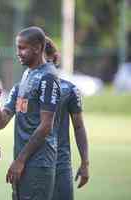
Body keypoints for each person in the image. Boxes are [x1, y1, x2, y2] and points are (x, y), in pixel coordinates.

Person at [0, 26, 60, 200]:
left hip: (38, 162)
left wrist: (20, 160)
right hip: (23, 161)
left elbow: (45, 126)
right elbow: (1, 122)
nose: (18, 53)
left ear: (37, 48)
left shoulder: (48, 77)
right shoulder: (26, 75)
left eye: (22, 48)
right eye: (17, 48)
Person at [45, 36, 89, 200]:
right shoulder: (23, 88)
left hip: (60, 164)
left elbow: (79, 127)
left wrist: (85, 163)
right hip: (32, 165)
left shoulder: (69, 89)